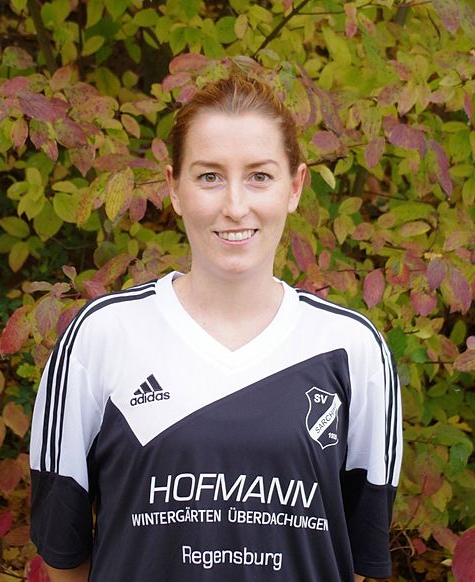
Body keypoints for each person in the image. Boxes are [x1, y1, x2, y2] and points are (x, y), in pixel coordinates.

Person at [30, 75, 402, 582]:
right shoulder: (102, 337)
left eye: (259, 176)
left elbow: (359, 558)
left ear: (295, 187)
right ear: (174, 188)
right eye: (209, 176)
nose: (234, 205)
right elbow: (62, 552)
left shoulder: (352, 350)